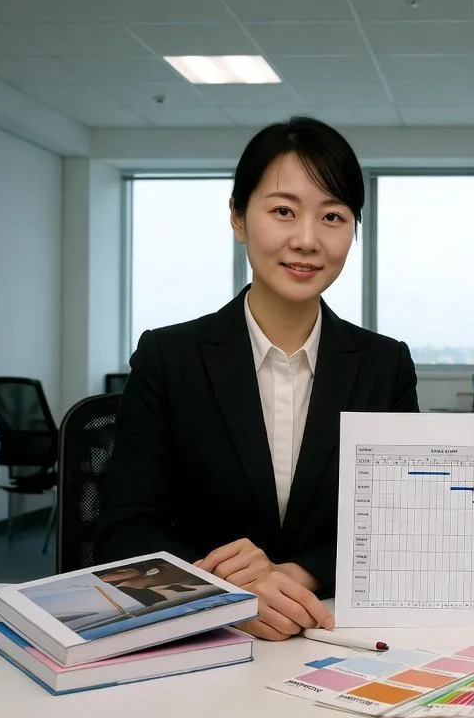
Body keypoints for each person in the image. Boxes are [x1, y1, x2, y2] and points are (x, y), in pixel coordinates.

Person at [96, 116, 420, 641]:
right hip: (203, 641)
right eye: (283, 211)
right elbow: (122, 531)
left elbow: (400, 522)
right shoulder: (169, 358)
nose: (307, 240)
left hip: (333, 632)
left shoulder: (385, 365)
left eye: (332, 216)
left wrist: (293, 576)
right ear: (239, 218)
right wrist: (221, 590)